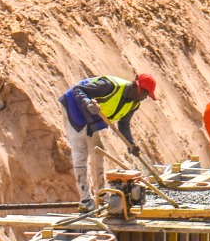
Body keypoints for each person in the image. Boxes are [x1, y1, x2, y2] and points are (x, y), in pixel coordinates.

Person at [58, 74, 157, 210]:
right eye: (145, 92)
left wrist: (131, 143)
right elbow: (78, 90)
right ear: (137, 86)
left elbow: (124, 124)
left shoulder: (134, 103)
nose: (145, 97)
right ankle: (85, 200)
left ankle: (101, 194)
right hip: (74, 108)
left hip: (91, 116)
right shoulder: (109, 86)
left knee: (98, 150)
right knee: (81, 153)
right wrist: (87, 103)